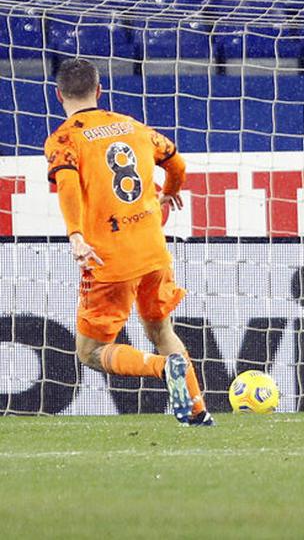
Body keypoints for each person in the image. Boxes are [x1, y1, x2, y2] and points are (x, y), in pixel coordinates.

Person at [44, 58, 212, 425]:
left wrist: (75, 234)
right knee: (161, 329)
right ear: (99, 90)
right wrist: (170, 192)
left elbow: (68, 184)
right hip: (153, 250)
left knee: (89, 351)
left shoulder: (64, 139)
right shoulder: (133, 126)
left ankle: (161, 368)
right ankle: (198, 411)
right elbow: (177, 163)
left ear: (58, 95)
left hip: (109, 258)